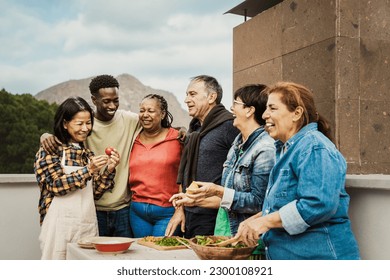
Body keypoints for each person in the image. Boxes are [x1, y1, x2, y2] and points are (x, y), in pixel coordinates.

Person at [234, 81, 360, 260]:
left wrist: (266, 221)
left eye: (272, 108)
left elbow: (318, 204)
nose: (264, 115)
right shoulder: (287, 148)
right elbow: (287, 204)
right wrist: (255, 219)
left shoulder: (314, 147)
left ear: (297, 113)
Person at [41, 75, 141, 237]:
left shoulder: (128, 120)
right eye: (106, 101)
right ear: (94, 100)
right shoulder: (80, 133)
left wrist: (182, 131)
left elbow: (157, 121)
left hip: (122, 208)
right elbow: (56, 184)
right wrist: (46, 136)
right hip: (91, 210)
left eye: (116, 100)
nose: (112, 105)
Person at [170, 84, 276, 236]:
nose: (231, 109)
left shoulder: (266, 148)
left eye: (236, 104)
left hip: (249, 237)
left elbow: (260, 203)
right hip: (226, 230)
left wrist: (217, 190)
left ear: (249, 110)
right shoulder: (237, 144)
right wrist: (193, 200)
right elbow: (230, 199)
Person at [34, 97, 120, 259]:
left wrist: (109, 170)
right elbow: (56, 185)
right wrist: (89, 170)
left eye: (88, 123)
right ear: (65, 124)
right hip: (58, 228)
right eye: (79, 123)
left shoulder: (87, 153)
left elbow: (94, 194)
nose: (85, 128)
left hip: (85, 225)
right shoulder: (50, 149)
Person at [165, 75, 240, 238]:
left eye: (192, 94)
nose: (186, 99)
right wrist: (180, 210)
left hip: (213, 216)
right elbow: (183, 174)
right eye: (186, 94)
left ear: (212, 97)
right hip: (189, 212)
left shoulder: (229, 126)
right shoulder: (194, 130)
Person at [128, 94, 182, 237]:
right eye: (142, 110)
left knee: (160, 256)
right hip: (137, 212)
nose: (145, 115)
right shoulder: (132, 139)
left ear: (162, 114)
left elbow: (186, 175)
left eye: (151, 111)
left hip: (167, 212)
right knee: (142, 255)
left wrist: (181, 209)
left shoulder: (177, 138)